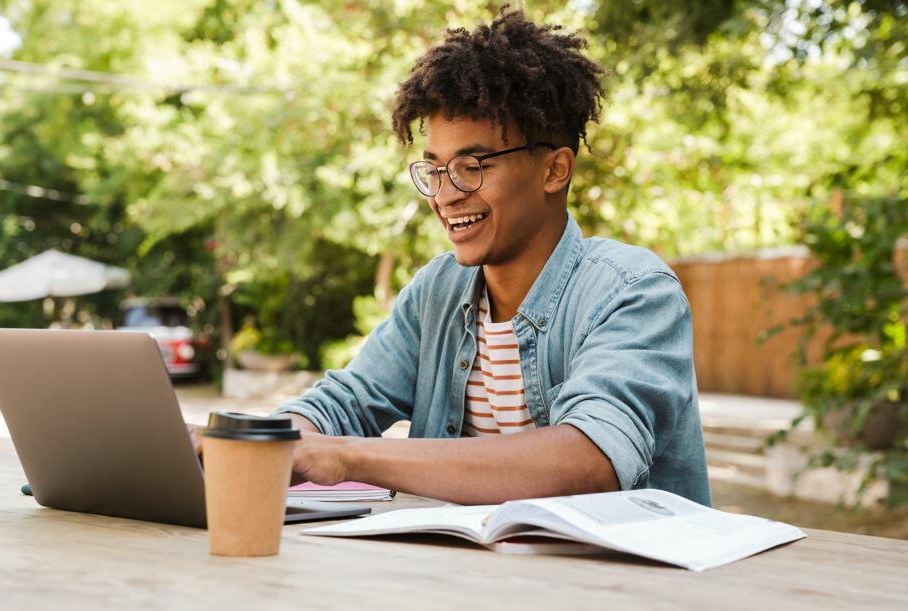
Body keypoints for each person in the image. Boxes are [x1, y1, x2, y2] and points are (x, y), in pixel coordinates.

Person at [195, 7, 711, 506]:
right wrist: (249, 442)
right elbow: (344, 405)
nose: (444, 195)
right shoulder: (436, 293)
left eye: (472, 165)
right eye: (435, 170)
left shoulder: (633, 290)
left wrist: (348, 458)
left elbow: (588, 460)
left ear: (555, 170)